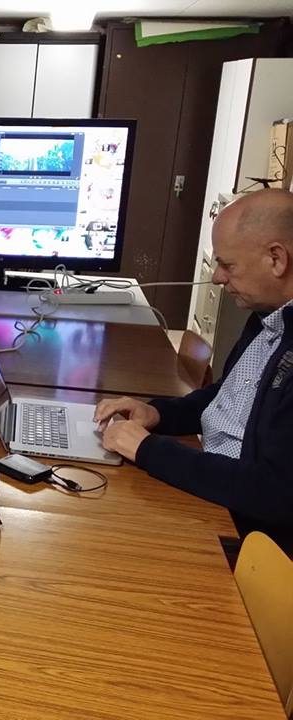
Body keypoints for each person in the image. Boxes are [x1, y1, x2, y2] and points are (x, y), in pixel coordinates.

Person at [94, 189, 293, 548]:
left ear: (276, 259)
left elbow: (272, 492)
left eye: (228, 265)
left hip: (249, 535)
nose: (217, 277)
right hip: (214, 485)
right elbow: (227, 396)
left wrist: (149, 449)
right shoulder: (268, 315)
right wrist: (158, 414)